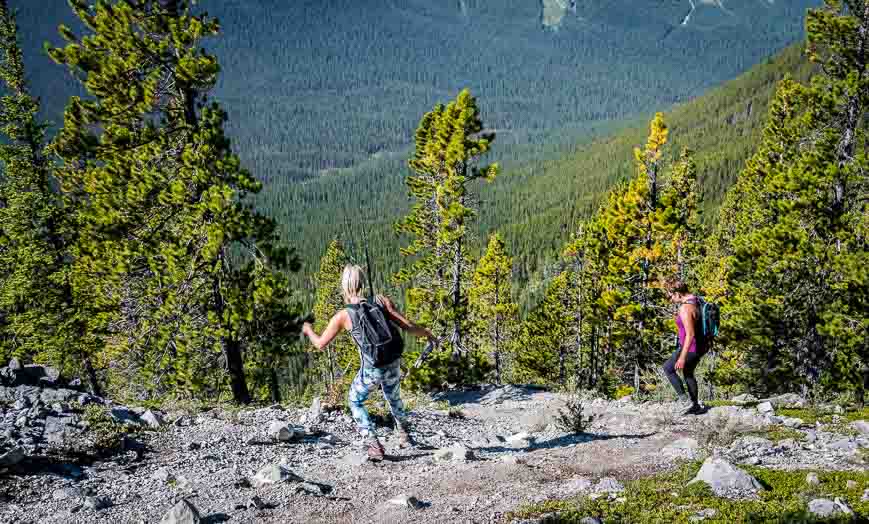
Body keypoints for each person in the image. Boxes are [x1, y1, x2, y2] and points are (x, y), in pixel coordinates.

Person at [302, 264, 434, 460]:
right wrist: (428, 334)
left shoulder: (343, 316)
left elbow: (320, 344)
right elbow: (407, 326)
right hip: (393, 361)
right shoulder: (381, 301)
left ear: (344, 286)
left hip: (373, 367)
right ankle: (405, 435)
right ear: (363, 282)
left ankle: (373, 443)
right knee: (394, 397)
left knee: (355, 400)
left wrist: (307, 330)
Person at [662, 278, 709, 415]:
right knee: (688, 373)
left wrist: (682, 357)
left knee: (668, 368)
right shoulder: (697, 300)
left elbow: (690, 334)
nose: (671, 299)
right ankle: (695, 406)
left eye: (671, 296)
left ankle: (685, 401)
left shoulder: (685, 308)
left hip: (690, 347)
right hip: (700, 347)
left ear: (678, 293)